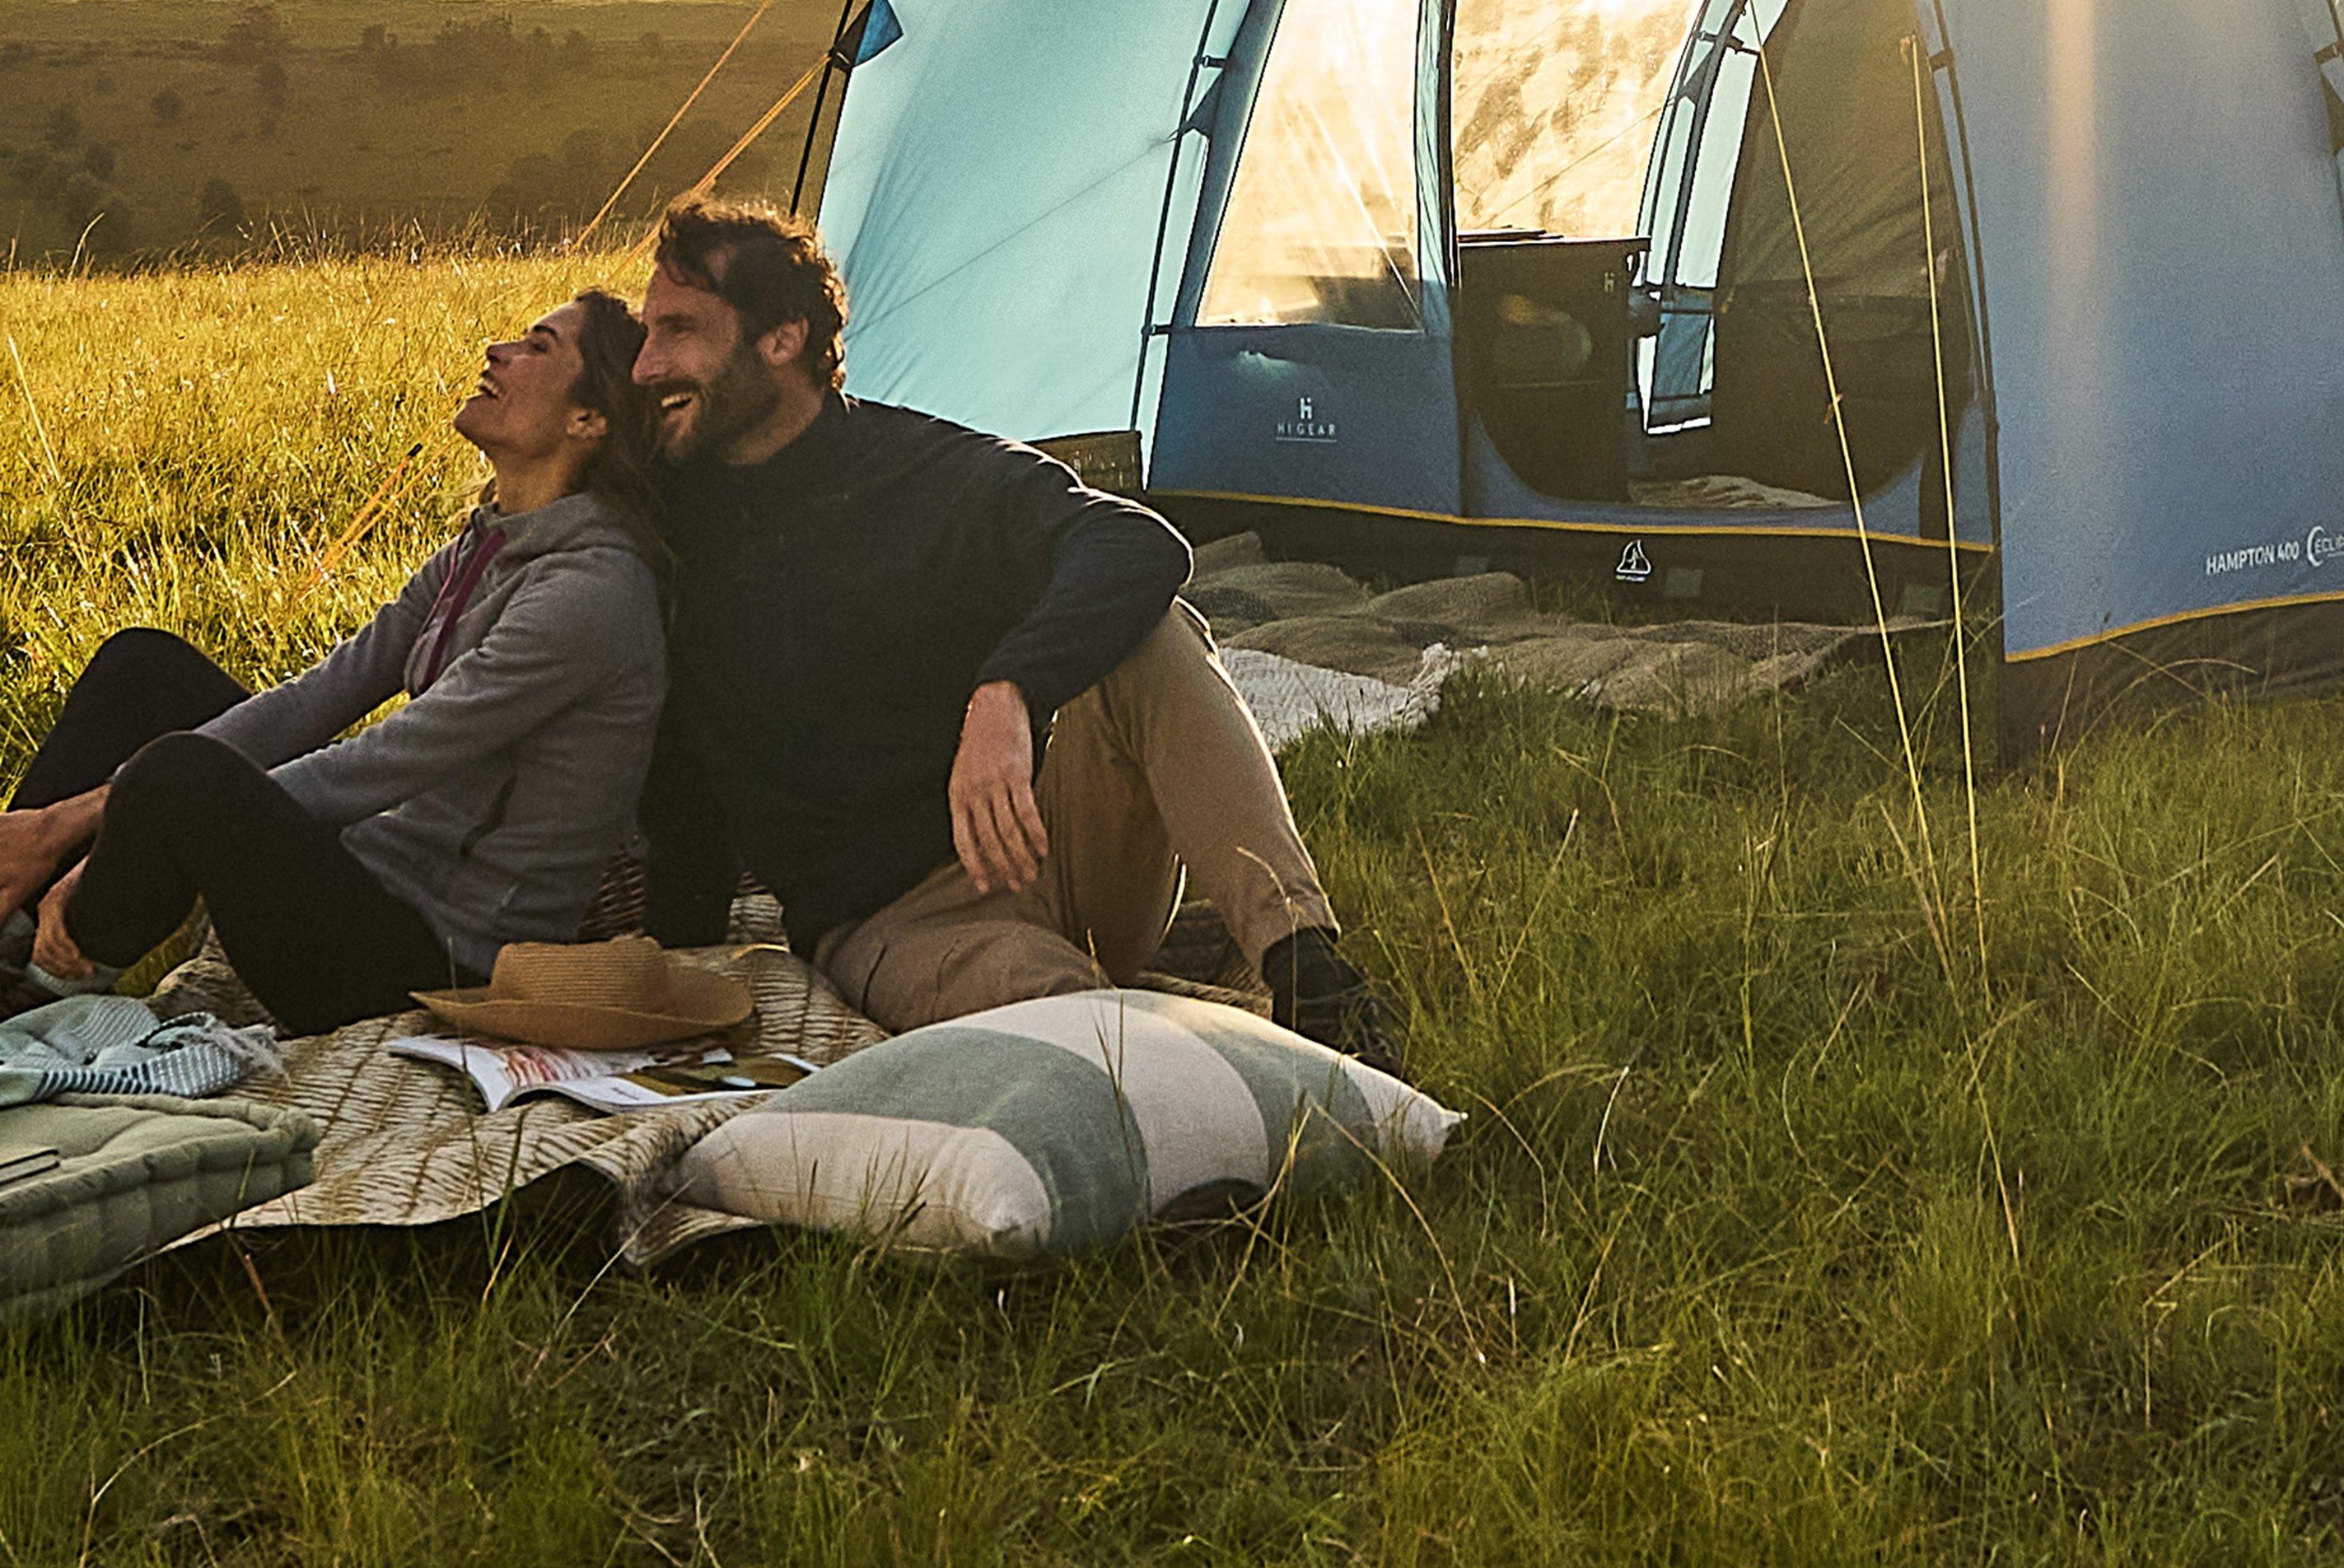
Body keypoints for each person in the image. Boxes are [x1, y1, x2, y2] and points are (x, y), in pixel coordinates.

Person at [629, 198, 1398, 1068]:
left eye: (680, 330)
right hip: (898, 924)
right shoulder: (667, 527)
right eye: (648, 333)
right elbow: (680, 790)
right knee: (1098, 1047)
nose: (649, 363)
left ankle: (1313, 973)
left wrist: (1008, 691)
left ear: (782, 339)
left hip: (1044, 847)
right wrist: (668, 974)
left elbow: (1134, 540)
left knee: (1149, 631)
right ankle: (1221, 1098)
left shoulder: (912, 467)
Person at [0, 292, 670, 1036]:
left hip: (436, 961)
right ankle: (9, 914)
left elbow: (381, 763)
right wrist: (72, 823)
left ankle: (43, 982)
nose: (497, 350)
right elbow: (321, 694)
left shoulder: (590, 595)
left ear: (590, 419)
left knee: (179, 780)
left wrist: (103, 834)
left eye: (538, 347)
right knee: (145, 670)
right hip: (368, 876)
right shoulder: (485, 547)